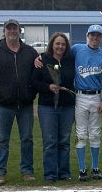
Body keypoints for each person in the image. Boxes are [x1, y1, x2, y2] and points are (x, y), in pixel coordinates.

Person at [0, 19, 39, 186]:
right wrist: (0, 92)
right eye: (9, 29)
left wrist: (31, 92)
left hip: (26, 105)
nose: (12, 31)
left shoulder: (30, 52)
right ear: (4, 31)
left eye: (15, 28)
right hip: (4, 106)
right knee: (2, 140)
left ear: (19, 31)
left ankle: (27, 171)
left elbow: (38, 74)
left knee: (27, 139)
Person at [32, 32, 76, 182]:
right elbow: (34, 82)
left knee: (64, 141)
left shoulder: (71, 60)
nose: (60, 46)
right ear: (52, 44)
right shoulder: (43, 60)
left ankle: (64, 172)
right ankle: (50, 174)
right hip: (47, 107)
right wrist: (48, 87)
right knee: (50, 141)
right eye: (57, 43)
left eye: (63, 44)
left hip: (67, 106)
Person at [72, 25, 102, 181]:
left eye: (98, 35)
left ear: (101, 37)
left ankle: (95, 167)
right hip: (80, 96)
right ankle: (82, 168)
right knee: (80, 133)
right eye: (92, 35)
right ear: (87, 35)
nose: (95, 38)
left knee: (95, 133)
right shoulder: (77, 49)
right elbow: (57, 55)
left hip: (96, 96)